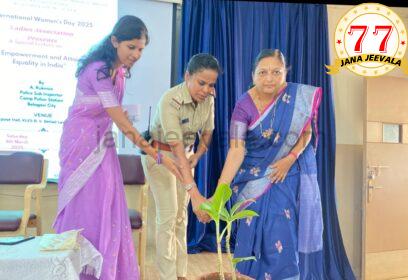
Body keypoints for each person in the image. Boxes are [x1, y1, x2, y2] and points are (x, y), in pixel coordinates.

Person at [53, 15, 182, 280]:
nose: (136, 54)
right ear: (114, 41)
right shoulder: (98, 69)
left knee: (106, 205)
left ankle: (107, 272)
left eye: (141, 49)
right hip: (82, 143)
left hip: (104, 143)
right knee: (86, 206)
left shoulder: (119, 72)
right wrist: (158, 155)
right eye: (131, 47)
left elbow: (117, 116)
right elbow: (121, 122)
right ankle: (79, 273)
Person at [216, 49, 323, 279]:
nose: (269, 78)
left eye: (277, 72)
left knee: (281, 237)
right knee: (248, 239)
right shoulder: (242, 106)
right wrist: (219, 192)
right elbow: (236, 149)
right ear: (253, 74)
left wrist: (289, 159)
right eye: (263, 72)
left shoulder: (297, 98)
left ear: (286, 73)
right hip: (250, 182)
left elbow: (305, 132)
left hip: (284, 177)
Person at [141, 53, 220, 280]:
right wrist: (193, 192)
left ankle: (181, 274)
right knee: (168, 216)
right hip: (161, 156)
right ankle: (167, 276)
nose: (206, 89)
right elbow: (174, 147)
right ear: (188, 76)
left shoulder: (209, 100)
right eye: (201, 83)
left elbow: (207, 132)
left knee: (181, 218)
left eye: (211, 85)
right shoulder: (170, 100)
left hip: (186, 156)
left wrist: (198, 153)